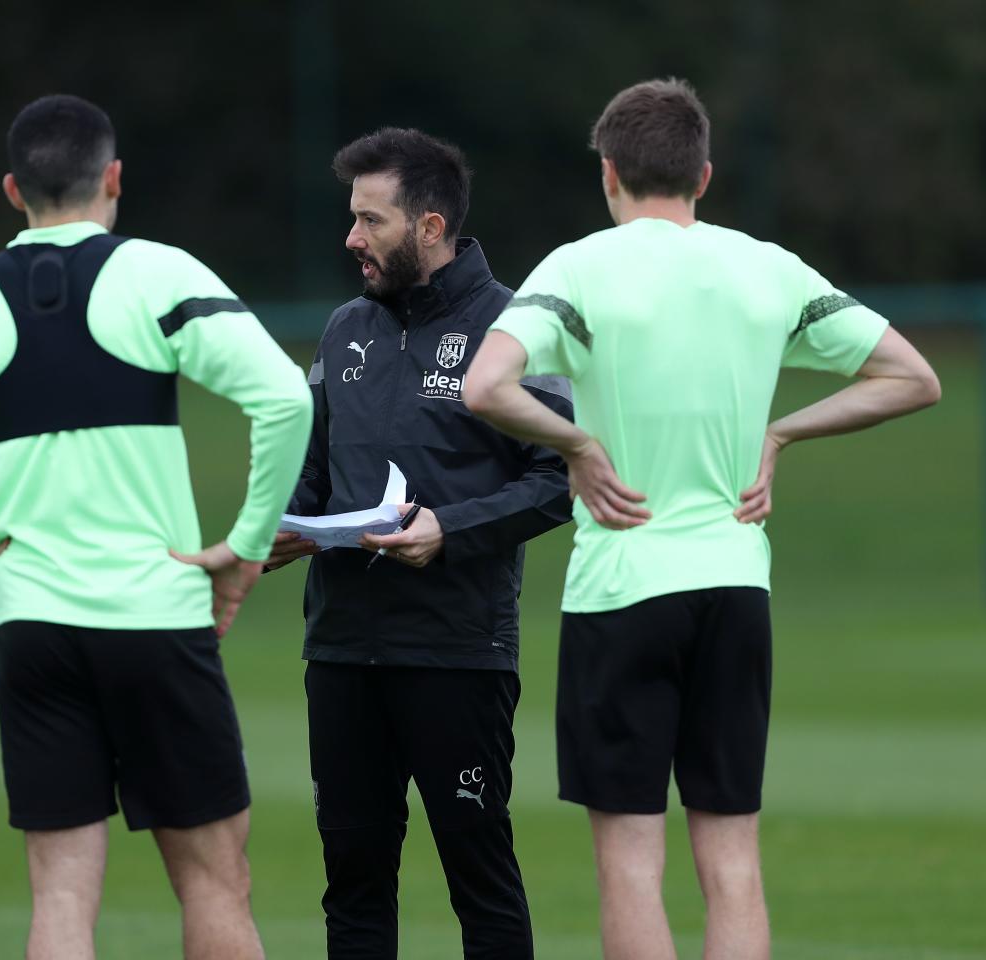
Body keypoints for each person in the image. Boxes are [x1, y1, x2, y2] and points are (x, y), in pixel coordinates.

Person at [0, 94, 313, 960]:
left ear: (14, 189)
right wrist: (242, 548)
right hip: (156, 619)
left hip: (35, 627)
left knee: (59, 898)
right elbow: (281, 397)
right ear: (113, 178)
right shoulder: (159, 273)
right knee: (212, 882)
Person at [463, 78, 941, 960]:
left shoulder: (578, 267)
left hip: (622, 592)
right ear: (705, 175)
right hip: (734, 588)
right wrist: (784, 432)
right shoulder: (769, 267)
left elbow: (484, 386)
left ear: (609, 173)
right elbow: (915, 378)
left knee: (631, 868)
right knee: (733, 862)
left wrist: (576, 446)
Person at [266, 127, 572, 959]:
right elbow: (311, 469)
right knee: (354, 886)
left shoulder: (516, 328)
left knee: (481, 879)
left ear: (430, 227)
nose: (351, 238)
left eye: (372, 222)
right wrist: (276, 530)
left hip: (457, 653)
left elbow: (561, 478)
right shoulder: (342, 331)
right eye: (353, 219)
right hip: (340, 653)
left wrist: (452, 529)